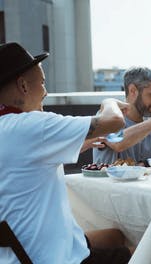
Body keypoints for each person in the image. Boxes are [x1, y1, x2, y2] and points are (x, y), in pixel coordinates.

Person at [0, 42, 132, 263]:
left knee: (115, 236)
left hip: (15, 253)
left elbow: (26, 160)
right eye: (42, 83)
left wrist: (84, 142)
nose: (46, 91)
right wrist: (108, 102)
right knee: (143, 249)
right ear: (23, 85)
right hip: (52, 257)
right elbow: (114, 121)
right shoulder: (32, 126)